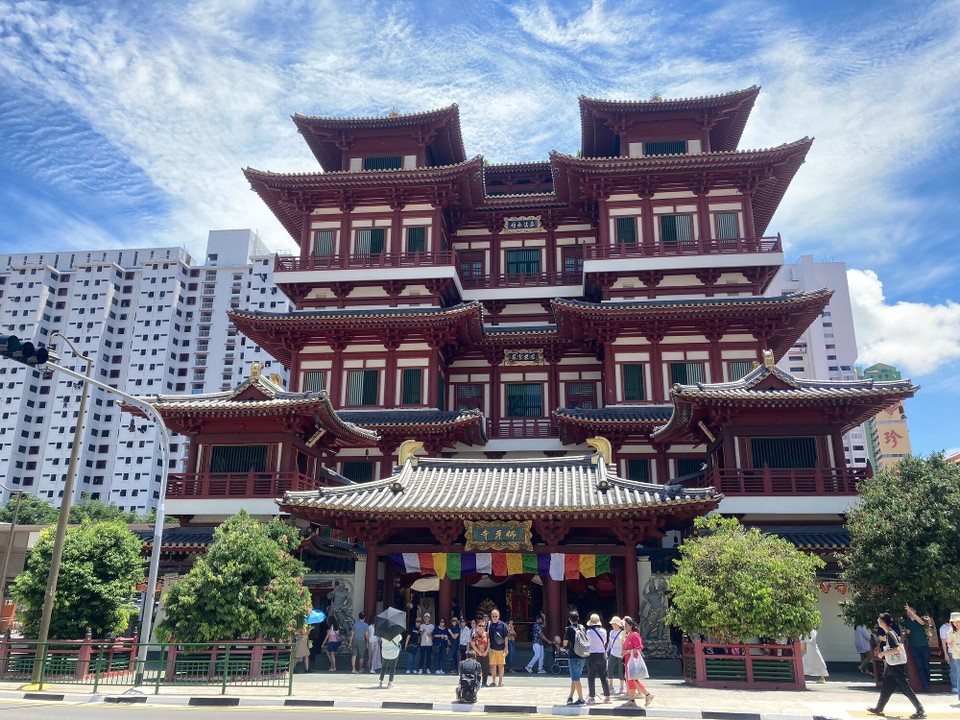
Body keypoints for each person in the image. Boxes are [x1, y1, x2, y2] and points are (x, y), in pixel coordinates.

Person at [868, 612, 925, 719]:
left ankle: (920, 709)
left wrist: (883, 653)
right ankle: (879, 708)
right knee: (886, 687)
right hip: (891, 666)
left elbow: (897, 649)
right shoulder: (890, 633)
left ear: (883, 622)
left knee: (906, 689)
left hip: (896, 667)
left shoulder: (890, 634)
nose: (878, 621)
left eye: (879, 620)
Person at [621, 615, 654, 708]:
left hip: (633, 660)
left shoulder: (634, 635)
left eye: (626, 625)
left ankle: (647, 695)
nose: (624, 627)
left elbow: (638, 648)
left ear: (631, 625)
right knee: (630, 680)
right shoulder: (628, 635)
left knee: (633, 680)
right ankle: (632, 700)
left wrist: (627, 652)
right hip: (628, 660)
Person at [903, 603, 933, 693]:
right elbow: (905, 633)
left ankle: (928, 683)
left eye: (911, 610)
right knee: (919, 667)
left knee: (926, 666)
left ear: (915, 611)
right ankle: (925, 686)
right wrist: (906, 632)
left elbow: (922, 623)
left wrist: (911, 611)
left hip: (924, 646)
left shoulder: (921, 619)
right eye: (907, 611)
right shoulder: (906, 622)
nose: (909, 612)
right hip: (914, 647)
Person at [585, 613, 611, 703]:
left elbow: (587, 642)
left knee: (591, 677)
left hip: (592, 655)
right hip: (602, 654)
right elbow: (605, 642)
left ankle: (592, 697)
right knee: (603, 676)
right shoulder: (604, 631)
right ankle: (607, 696)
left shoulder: (588, 632)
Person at [562, 611, 586, 706]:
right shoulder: (582, 627)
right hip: (583, 655)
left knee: (576, 679)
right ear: (578, 618)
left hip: (573, 656)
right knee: (575, 678)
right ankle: (570, 697)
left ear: (569, 619)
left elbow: (565, 643)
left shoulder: (569, 629)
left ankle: (581, 698)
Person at [487, 608, 509, 687]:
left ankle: (500, 682)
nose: (494, 618)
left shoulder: (502, 625)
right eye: (493, 616)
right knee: (493, 665)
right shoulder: (489, 625)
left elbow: (506, 636)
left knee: (501, 665)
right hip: (492, 648)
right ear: (491, 616)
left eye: (496, 616)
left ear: (499, 616)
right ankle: (493, 681)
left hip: (501, 649)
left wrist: (506, 647)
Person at [606, 616, 626, 695]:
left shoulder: (623, 632)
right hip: (613, 652)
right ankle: (611, 685)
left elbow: (624, 643)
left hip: (620, 654)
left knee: (621, 671)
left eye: (613, 624)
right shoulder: (611, 632)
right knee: (609, 669)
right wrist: (607, 651)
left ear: (617, 624)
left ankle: (622, 687)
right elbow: (610, 642)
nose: (612, 625)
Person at [944, 611, 960, 700]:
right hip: (957, 656)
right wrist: (951, 643)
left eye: (958, 621)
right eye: (954, 622)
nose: (956, 623)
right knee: (959, 675)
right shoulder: (951, 632)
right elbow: (949, 645)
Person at [471, 621, 490, 686]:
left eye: (483, 626)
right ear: (477, 626)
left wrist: (486, 651)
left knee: (485, 668)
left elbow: (489, 643)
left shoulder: (487, 634)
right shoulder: (474, 635)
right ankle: (477, 682)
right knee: (477, 669)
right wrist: (478, 652)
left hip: (485, 654)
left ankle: (484, 682)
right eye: (480, 625)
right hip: (477, 654)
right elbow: (473, 645)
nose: (481, 627)